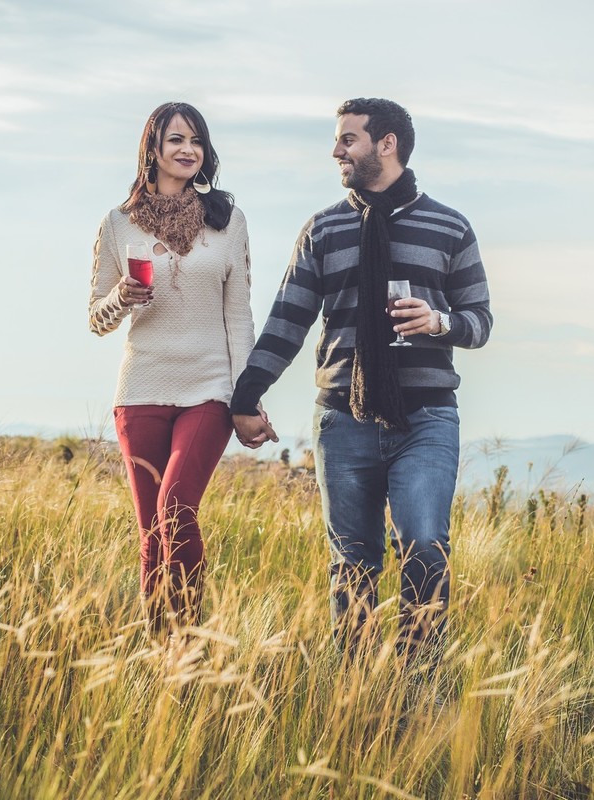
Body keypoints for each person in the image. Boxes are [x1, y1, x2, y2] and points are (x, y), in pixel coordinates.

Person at [231, 98, 492, 662]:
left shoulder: (450, 226)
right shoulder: (323, 229)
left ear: (387, 143)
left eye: (348, 139)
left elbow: (481, 322)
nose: (336, 151)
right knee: (352, 561)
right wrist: (246, 396)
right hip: (343, 420)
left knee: (425, 544)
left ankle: (414, 680)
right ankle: (353, 692)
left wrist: (439, 322)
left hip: (425, 419)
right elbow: (288, 319)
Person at [89, 102, 266, 638]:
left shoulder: (228, 223)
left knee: (175, 506)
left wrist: (247, 397)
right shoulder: (118, 224)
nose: (189, 150)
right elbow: (97, 319)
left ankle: (187, 637)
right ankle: (159, 645)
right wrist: (121, 298)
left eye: (197, 141)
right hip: (141, 386)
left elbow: (239, 315)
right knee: (149, 531)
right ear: (154, 150)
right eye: (176, 140)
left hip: (209, 388)